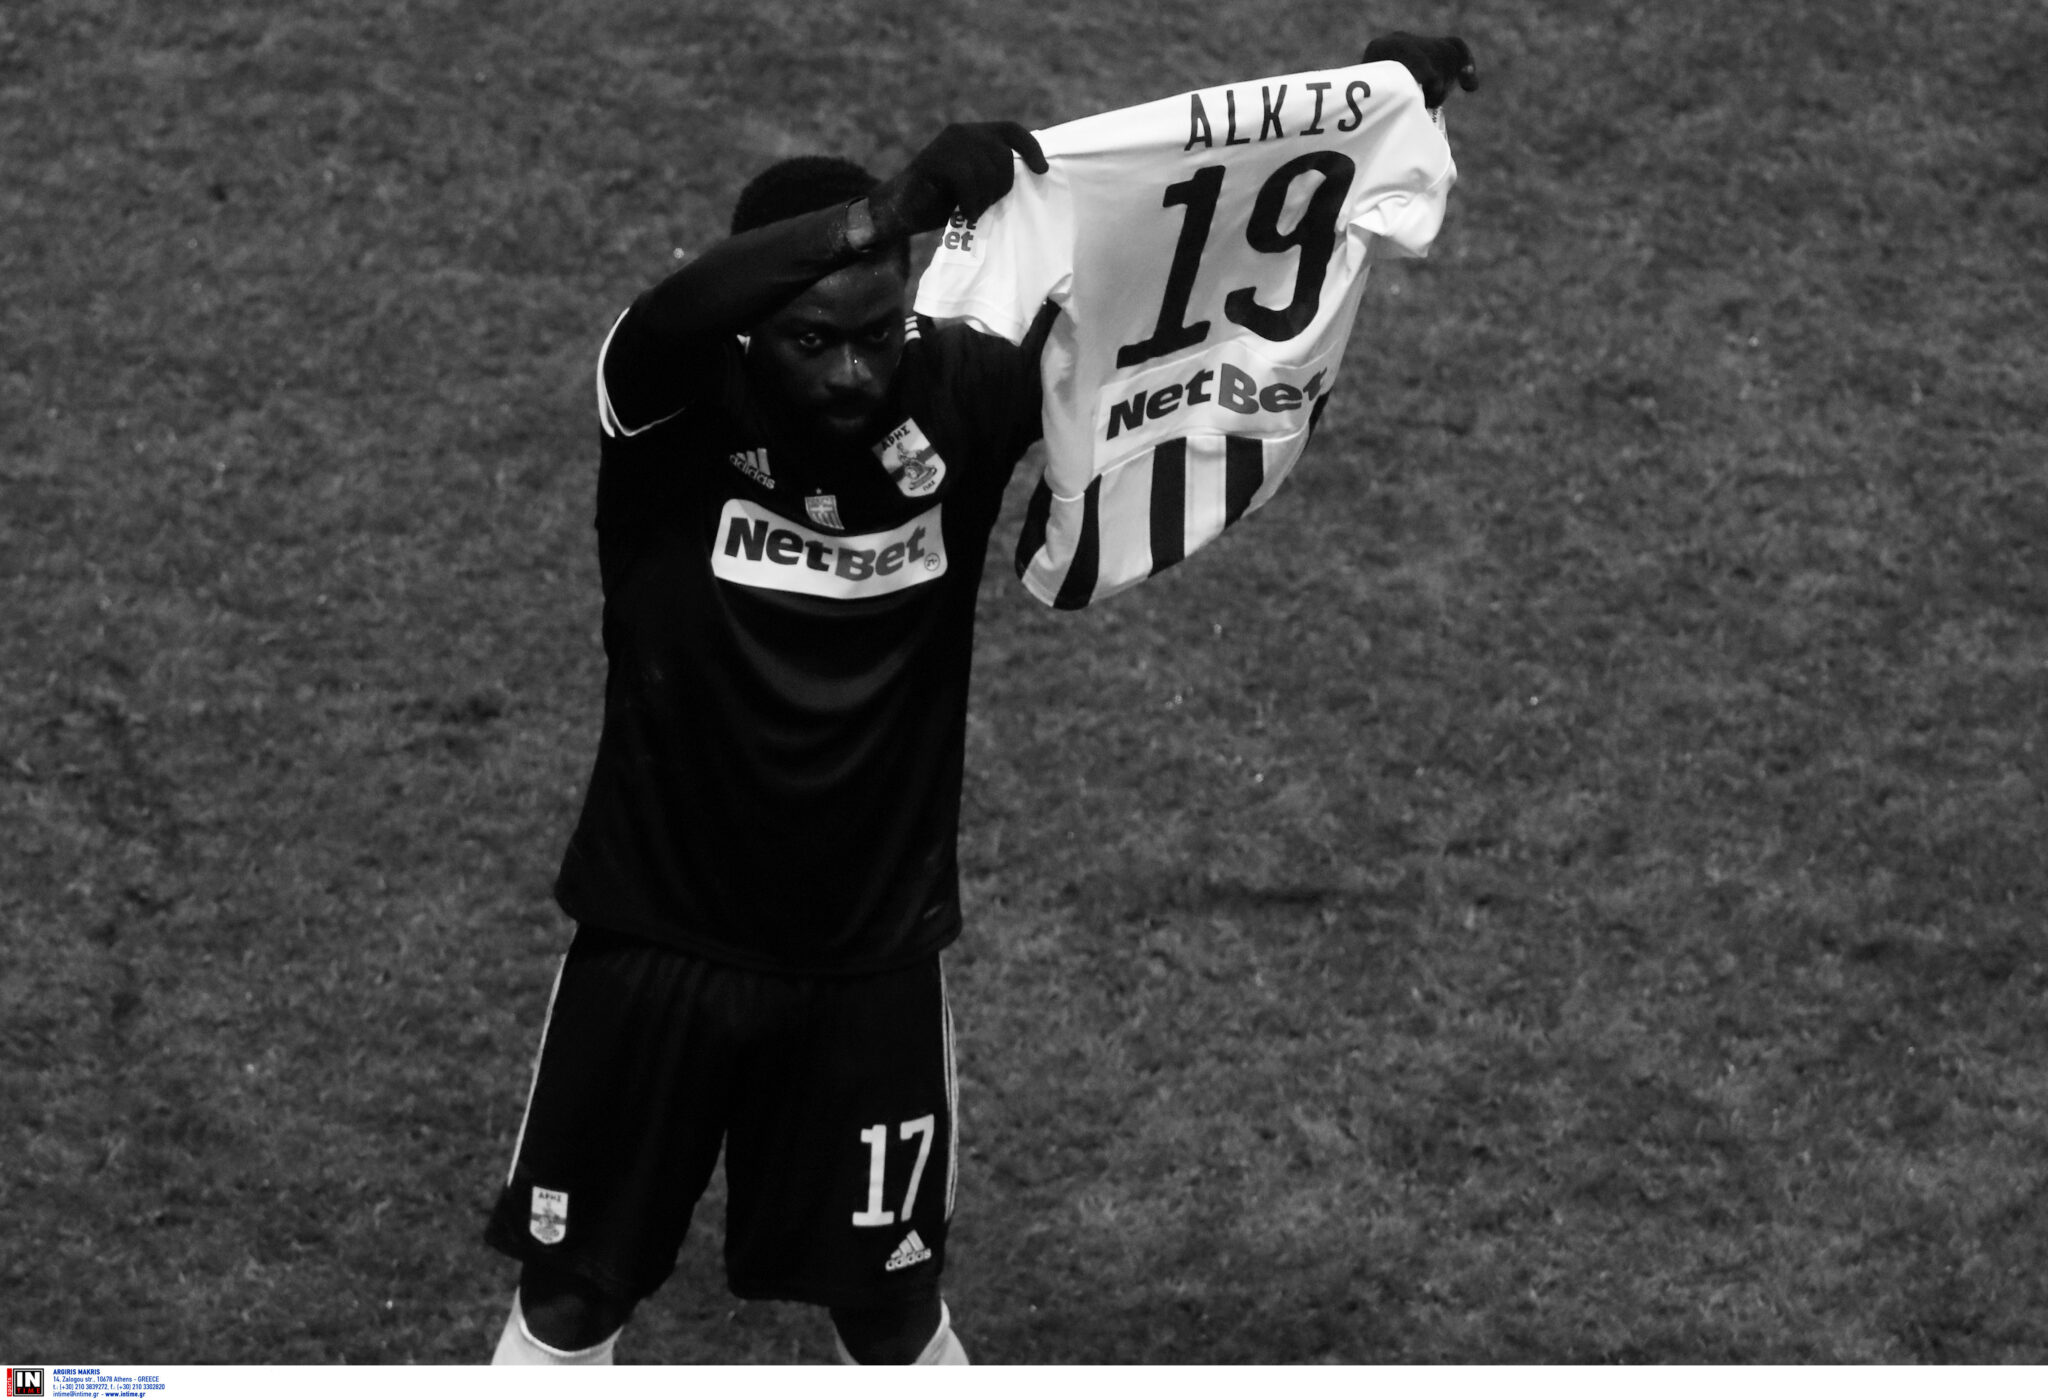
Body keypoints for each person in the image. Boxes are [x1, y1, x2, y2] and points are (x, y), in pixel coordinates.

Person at [483, 34, 1477, 1366]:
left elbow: (1175, 244)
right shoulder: (668, 415)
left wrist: (1360, 110)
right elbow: (670, 310)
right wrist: (881, 214)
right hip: (656, 944)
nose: (854, 373)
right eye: (814, 341)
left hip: (868, 969)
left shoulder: (955, 393)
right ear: (751, 326)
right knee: (571, 1302)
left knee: (892, 1316)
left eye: (876, 332)